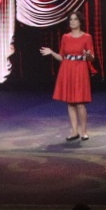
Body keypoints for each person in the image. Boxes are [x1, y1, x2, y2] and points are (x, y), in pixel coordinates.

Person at [37, 11, 95, 142]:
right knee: (70, 102)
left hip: (80, 69)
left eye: (75, 19)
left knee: (80, 102)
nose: (72, 22)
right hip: (67, 69)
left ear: (80, 21)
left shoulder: (87, 37)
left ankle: (84, 131)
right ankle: (74, 131)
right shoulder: (65, 37)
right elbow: (61, 57)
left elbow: (91, 58)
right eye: (70, 20)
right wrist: (52, 52)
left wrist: (88, 56)